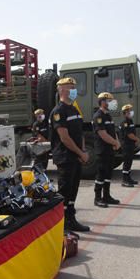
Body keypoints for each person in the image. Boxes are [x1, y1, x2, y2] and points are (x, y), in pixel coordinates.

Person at [49, 77, 90, 232]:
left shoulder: (74, 109)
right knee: (65, 193)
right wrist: (80, 152)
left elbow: (80, 134)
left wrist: (83, 152)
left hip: (76, 157)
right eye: (71, 87)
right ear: (62, 90)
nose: (74, 90)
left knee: (73, 191)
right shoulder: (58, 112)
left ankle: (71, 219)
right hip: (65, 158)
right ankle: (62, 224)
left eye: (74, 86)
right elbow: (64, 138)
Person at [92, 92, 121, 207]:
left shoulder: (108, 115)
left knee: (108, 173)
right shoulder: (98, 116)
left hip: (110, 149)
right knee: (101, 174)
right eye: (109, 100)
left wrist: (117, 142)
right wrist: (115, 142)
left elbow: (112, 132)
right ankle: (97, 198)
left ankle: (107, 196)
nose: (111, 103)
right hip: (102, 150)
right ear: (102, 102)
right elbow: (102, 134)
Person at [119, 103, 140, 187]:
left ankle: (129, 178)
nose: (131, 112)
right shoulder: (125, 123)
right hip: (126, 145)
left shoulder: (130, 121)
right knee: (127, 162)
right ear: (125, 113)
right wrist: (137, 139)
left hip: (130, 145)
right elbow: (129, 134)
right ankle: (124, 180)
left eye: (131, 110)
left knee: (130, 161)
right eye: (129, 111)